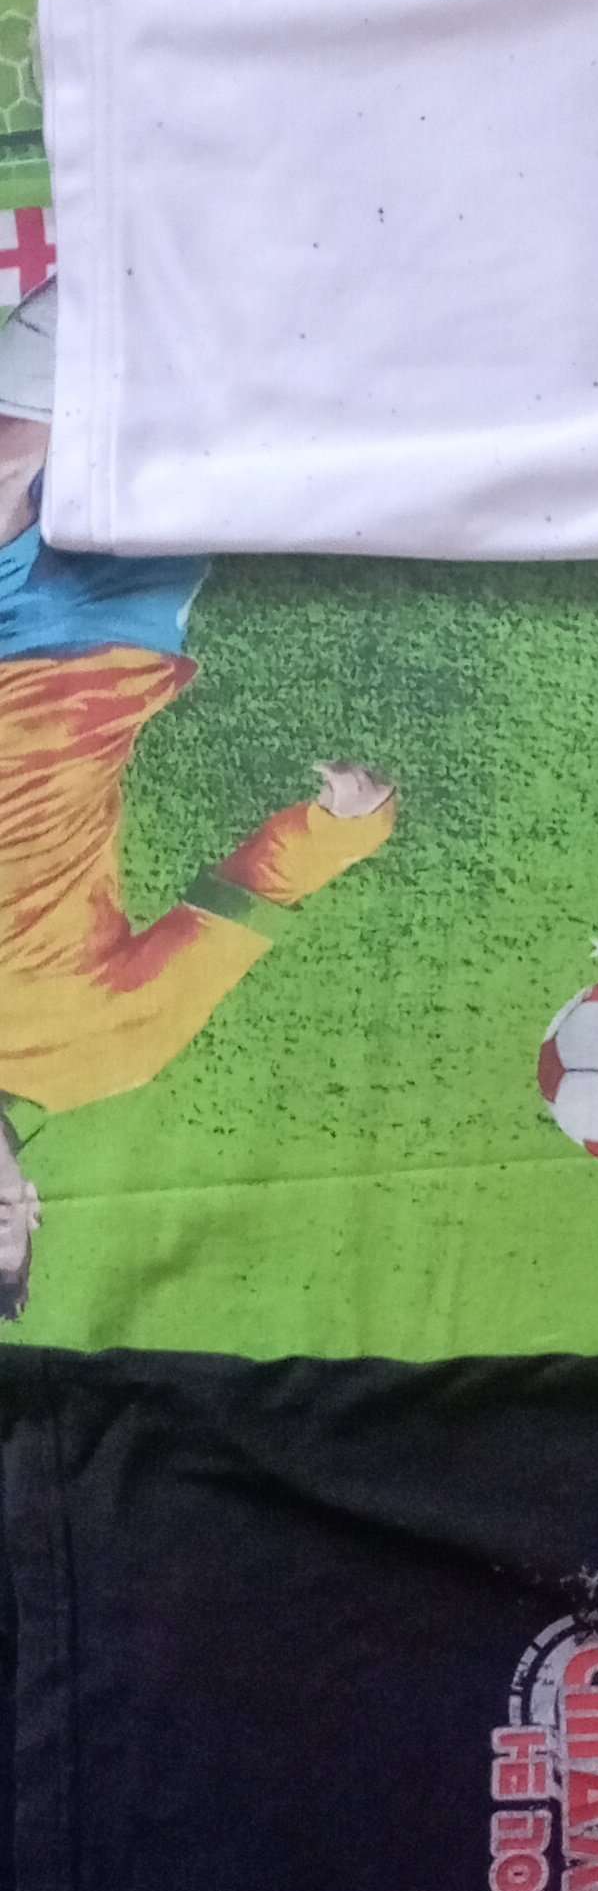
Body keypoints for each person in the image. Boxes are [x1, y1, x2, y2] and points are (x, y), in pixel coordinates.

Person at [0, 284, 397, 1315]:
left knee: (10, 454)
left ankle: (128, 272)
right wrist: (346, 827)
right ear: (32, 1207)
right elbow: (239, 907)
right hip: (103, 665)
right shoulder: (106, 1055)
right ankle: (244, 286)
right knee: (182, 446)